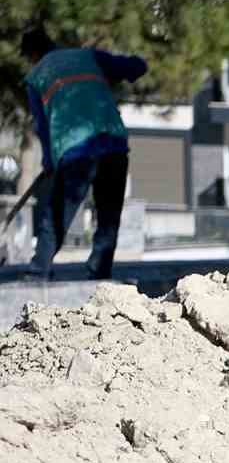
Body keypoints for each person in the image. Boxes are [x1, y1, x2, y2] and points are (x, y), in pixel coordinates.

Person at [21, 26, 147, 279]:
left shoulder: (35, 78)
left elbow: (42, 126)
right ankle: (99, 274)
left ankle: (38, 272)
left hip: (75, 148)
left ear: (32, 54)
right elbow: (137, 67)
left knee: (58, 212)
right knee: (108, 215)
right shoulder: (87, 57)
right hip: (113, 142)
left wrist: (48, 160)